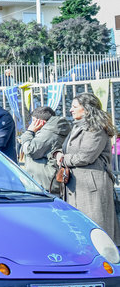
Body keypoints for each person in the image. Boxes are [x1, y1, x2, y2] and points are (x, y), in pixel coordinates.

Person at [54, 93, 120, 243]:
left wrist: (64, 159)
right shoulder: (77, 126)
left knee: (96, 227)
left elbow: (86, 156)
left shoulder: (96, 129)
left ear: (87, 109)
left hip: (92, 186)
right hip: (76, 185)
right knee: (80, 228)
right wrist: (58, 153)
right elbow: (68, 149)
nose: (70, 110)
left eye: (74, 106)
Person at [18, 106, 71, 192]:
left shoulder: (49, 133)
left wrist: (29, 132)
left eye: (33, 121)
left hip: (44, 183)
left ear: (40, 122)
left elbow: (30, 150)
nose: (31, 124)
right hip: (46, 180)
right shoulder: (53, 129)